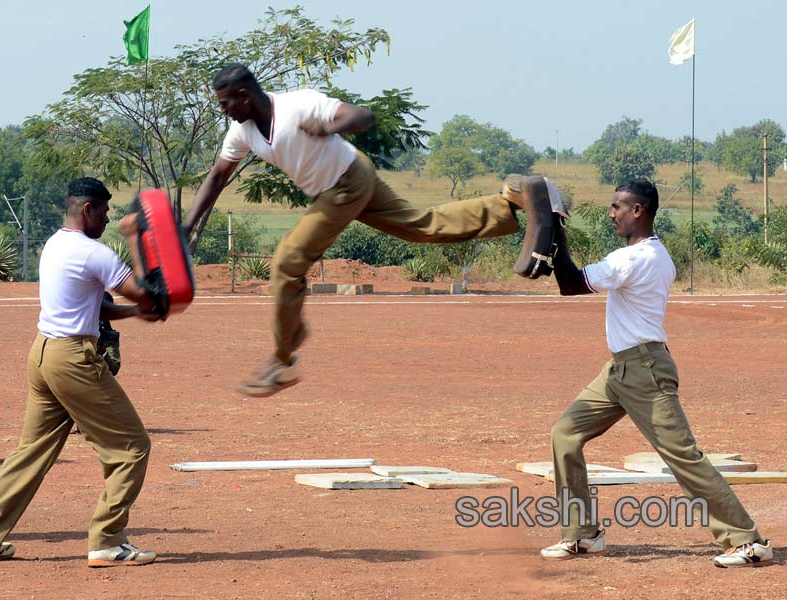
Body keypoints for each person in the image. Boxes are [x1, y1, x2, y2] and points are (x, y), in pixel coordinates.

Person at [184, 63, 530, 397]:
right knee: (423, 227)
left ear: (244, 95)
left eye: (225, 103)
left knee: (288, 261)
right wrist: (187, 225)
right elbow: (217, 177)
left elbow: (362, 115)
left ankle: (284, 360)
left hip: (346, 184)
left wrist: (329, 127)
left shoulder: (298, 104)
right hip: (340, 185)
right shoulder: (242, 131)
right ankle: (510, 201)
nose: (224, 111)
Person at [541, 179, 774, 568]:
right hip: (620, 369)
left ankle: (748, 541)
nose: (611, 212)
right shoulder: (652, 254)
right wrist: (553, 232)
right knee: (565, 434)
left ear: (639, 211)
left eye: (618, 206)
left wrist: (554, 230)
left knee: (683, 456)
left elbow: (570, 283)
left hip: (644, 370)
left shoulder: (636, 259)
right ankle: (581, 535)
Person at [0, 178, 161, 567]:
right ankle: (107, 540)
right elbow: (147, 293)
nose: (107, 218)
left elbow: (94, 307)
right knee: (132, 446)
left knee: (30, 452)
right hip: (73, 359)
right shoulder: (92, 252)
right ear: (88, 210)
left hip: (44, 353)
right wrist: (135, 238)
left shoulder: (55, 244)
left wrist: (135, 312)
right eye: (103, 211)